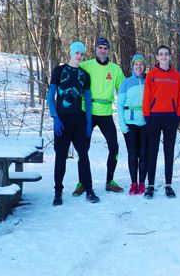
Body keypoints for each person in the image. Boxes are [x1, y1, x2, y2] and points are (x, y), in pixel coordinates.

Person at [47, 41, 100, 206]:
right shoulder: (59, 71)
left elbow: (88, 99)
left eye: (82, 53)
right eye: (76, 52)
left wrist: (89, 121)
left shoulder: (84, 75)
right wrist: (55, 117)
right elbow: (50, 95)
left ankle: (89, 190)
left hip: (79, 120)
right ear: (70, 53)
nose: (79, 55)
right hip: (62, 120)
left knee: (83, 155)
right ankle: (58, 192)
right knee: (60, 157)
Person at [72, 36, 126, 196]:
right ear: (95, 49)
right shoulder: (85, 65)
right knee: (83, 149)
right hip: (87, 112)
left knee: (114, 148)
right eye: (100, 47)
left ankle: (110, 181)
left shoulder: (115, 69)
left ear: (109, 50)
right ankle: (82, 182)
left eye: (105, 48)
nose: (102, 50)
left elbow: (123, 90)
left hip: (106, 112)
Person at [142, 45, 180, 199]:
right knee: (152, 152)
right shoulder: (151, 75)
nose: (164, 57)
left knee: (169, 152)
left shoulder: (177, 76)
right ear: (157, 57)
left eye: (166, 54)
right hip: (154, 117)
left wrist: (179, 115)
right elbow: (146, 96)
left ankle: (168, 185)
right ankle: (151, 185)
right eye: (161, 54)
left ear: (170, 56)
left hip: (171, 118)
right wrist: (146, 115)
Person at [117, 54, 148, 195]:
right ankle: (133, 183)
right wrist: (122, 126)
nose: (138, 66)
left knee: (143, 153)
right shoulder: (126, 82)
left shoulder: (149, 81)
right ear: (132, 66)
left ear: (144, 66)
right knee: (132, 154)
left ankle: (142, 183)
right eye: (136, 64)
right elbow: (120, 106)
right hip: (130, 122)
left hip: (145, 122)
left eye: (141, 64)